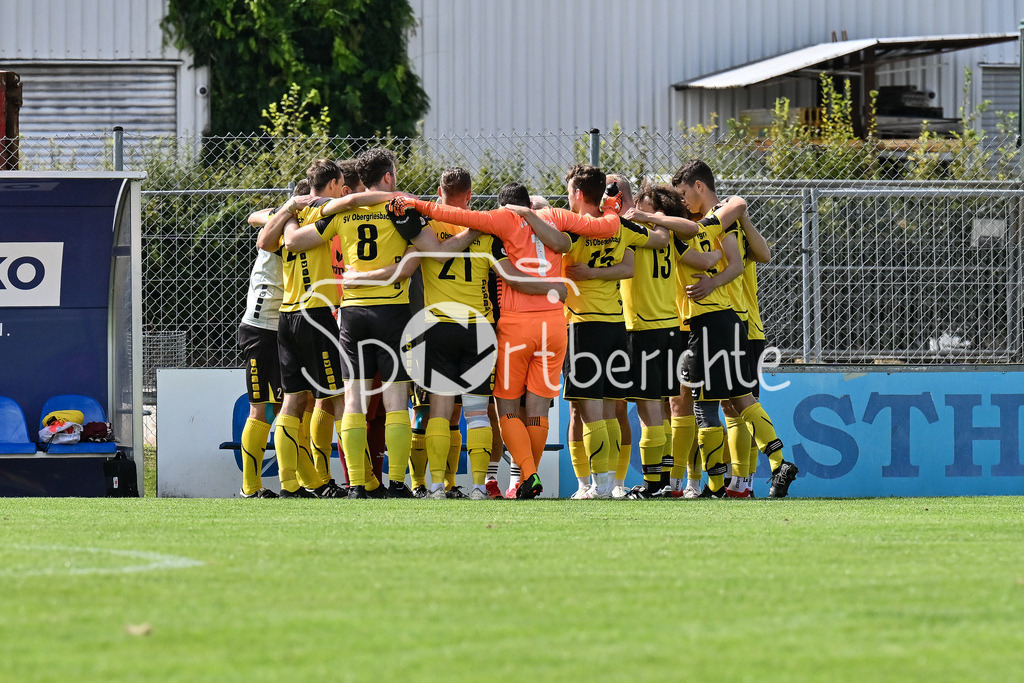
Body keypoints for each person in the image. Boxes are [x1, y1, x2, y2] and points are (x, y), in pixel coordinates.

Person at [388, 166, 622, 498]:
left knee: (473, 408)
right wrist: (612, 205)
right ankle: (498, 484)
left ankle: (440, 485)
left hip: (479, 325)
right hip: (532, 326)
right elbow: (597, 230)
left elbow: (439, 231)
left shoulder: (490, 223)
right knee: (500, 409)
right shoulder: (550, 221)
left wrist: (413, 202)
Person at [283, 147, 479, 498]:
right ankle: (396, 483)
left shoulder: (346, 208)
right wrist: (474, 230)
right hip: (393, 312)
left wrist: (287, 212)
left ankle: (356, 483)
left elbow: (297, 242)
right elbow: (436, 251)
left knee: (355, 399)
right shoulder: (399, 208)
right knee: (395, 400)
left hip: (352, 313)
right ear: (388, 176)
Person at [671, 159, 798, 498]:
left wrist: (711, 283)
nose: (683, 201)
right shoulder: (719, 219)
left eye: (685, 193)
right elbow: (764, 254)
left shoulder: (721, 221)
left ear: (700, 186)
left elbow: (752, 258)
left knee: (735, 401)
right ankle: (736, 481)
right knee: (730, 402)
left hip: (736, 321)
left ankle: (740, 481)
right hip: (737, 323)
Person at [619, 181, 723, 498]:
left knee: (650, 408)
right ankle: (665, 480)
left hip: (643, 327)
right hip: (669, 328)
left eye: (645, 205)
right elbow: (703, 260)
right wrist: (720, 252)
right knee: (662, 410)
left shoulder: (634, 233)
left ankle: (654, 483)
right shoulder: (670, 239)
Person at [234, 179, 312, 498]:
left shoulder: (283, 217)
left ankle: (295, 482)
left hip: (284, 324)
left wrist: (278, 211)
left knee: (291, 404)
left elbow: (257, 214)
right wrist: (286, 211)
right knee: (263, 410)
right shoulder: (289, 225)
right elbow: (261, 227)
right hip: (262, 325)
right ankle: (251, 487)